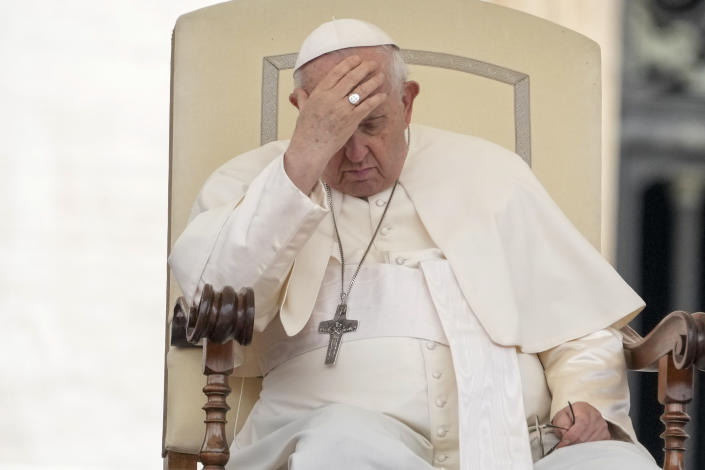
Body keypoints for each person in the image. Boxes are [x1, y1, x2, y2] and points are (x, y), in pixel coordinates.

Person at [169, 19, 660, 470]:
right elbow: (214, 294)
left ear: (407, 102)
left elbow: (577, 325)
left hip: (521, 447)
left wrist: (585, 402)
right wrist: (302, 162)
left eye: (373, 124)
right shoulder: (250, 182)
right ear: (301, 110)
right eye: (336, 128)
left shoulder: (490, 172)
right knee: (340, 446)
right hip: (341, 439)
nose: (356, 152)